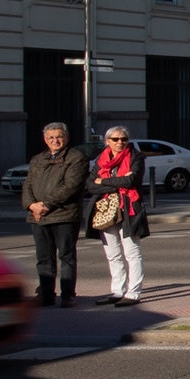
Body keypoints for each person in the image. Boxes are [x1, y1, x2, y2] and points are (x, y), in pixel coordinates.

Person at [21, 122, 91, 307]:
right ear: (45, 139)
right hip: (38, 216)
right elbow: (28, 184)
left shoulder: (76, 158)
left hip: (64, 215)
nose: (55, 141)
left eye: (59, 137)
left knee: (66, 257)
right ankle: (46, 294)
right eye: (51, 137)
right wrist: (31, 205)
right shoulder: (38, 159)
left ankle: (68, 295)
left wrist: (45, 205)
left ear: (66, 138)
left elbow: (71, 186)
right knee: (44, 258)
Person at [87, 127, 149, 307]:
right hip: (106, 210)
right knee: (113, 254)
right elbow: (90, 185)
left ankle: (134, 293)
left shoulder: (136, 157)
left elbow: (131, 181)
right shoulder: (102, 159)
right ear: (107, 141)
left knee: (132, 252)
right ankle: (117, 290)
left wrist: (103, 181)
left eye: (124, 139)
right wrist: (117, 183)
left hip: (129, 208)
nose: (120, 142)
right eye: (115, 139)